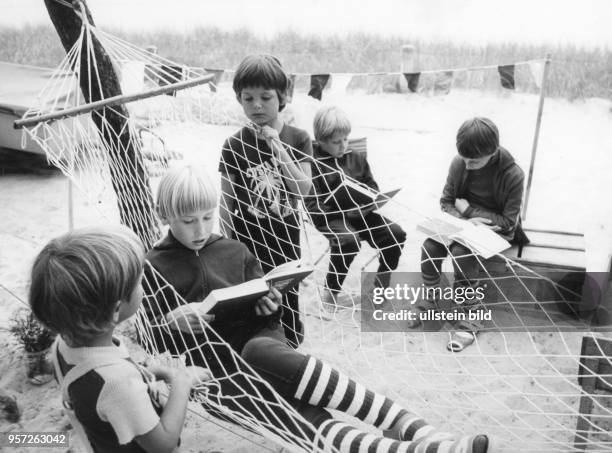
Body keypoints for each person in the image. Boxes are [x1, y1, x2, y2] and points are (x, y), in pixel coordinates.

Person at [143, 164, 492, 453]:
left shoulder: (234, 251)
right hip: (217, 378)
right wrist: (169, 324)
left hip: (263, 348)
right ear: (165, 214)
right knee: (297, 418)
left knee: (260, 349)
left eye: (208, 217)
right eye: (189, 221)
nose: (201, 229)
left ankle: (414, 429)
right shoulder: (153, 266)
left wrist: (270, 306)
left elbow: (269, 317)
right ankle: (415, 449)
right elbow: (148, 340)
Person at [28, 225, 210, 453]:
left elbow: (98, 388)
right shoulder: (117, 385)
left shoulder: (63, 344)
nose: (142, 287)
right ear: (116, 309)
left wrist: (153, 373)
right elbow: (163, 444)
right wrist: (183, 381)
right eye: (138, 283)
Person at [218, 54, 312, 348]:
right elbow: (226, 201)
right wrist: (226, 244)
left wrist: (277, 147)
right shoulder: (233, 145)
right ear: (239, 99)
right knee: (254, 303)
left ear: (282, 97)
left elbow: (303, 190)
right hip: (247, 243)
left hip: (285, 239)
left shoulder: (298, 138)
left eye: (266, 97)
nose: (257, 105)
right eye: (248, 98)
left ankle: (290, 351)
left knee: (287, 302)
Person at [417, 117, 528, 352]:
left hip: (494, 231)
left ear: (493, 151)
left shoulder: (513, 174)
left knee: (460, 253)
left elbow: (508, 222)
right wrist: (462, 219)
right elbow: (446, 202)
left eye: (474, 161)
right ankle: (431, 300)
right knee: (430, 247)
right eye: (464, 159)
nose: (467, 165)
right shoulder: (460, 162)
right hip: (461, 223)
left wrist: (468, 211)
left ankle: (472, 314)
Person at [306, 105, 406, 311]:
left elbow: (372, 186)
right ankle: (330, 293)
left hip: (361, 213)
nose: (343, 146)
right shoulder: (311, 162)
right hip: (329, 217)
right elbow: (312, 206)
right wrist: (340, 209)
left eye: (346, 139)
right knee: (349, 240)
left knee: (396, 234)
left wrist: (367, 204)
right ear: (320, 141)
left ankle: (380, 288)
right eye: (336, 142)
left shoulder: (355, 156)